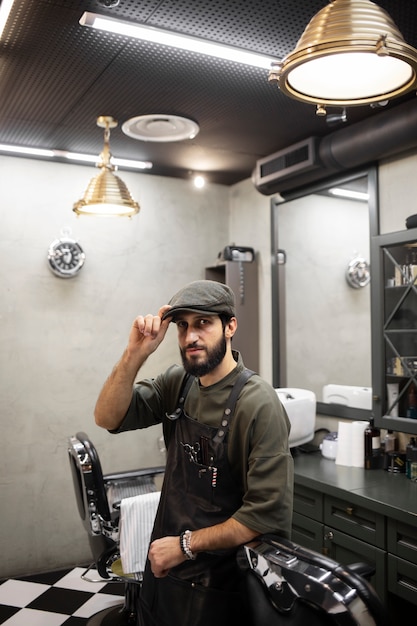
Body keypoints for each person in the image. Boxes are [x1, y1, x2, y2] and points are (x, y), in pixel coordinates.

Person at [94, 279, 294, 626]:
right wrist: (135, 354)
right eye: (183, 326)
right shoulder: (180, 384)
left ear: (230, 326)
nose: (190, 337)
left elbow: (263, 516)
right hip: (164, 569)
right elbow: (106, 417)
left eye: (203, 323)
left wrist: (185, 545)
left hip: (219, 587)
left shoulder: (257, 403)